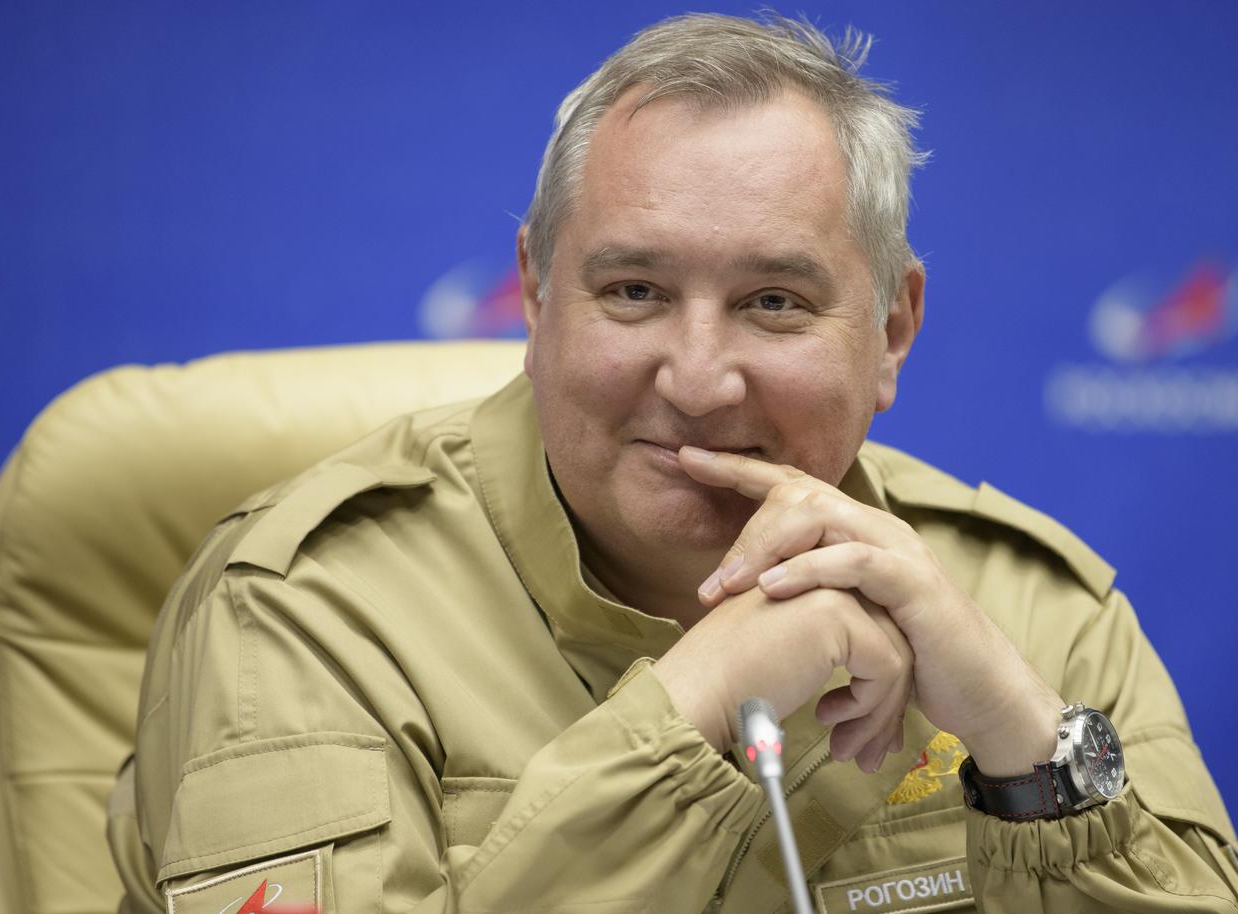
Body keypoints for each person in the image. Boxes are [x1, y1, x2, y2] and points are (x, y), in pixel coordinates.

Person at [108, 13, 1238, 914]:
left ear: (890, 330)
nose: (698, 378)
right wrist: (699, 696)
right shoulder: (302, 615)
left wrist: (1018, 744)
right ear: (539, 295)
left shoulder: (1032, 608)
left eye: (772, 302)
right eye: (634, 291)